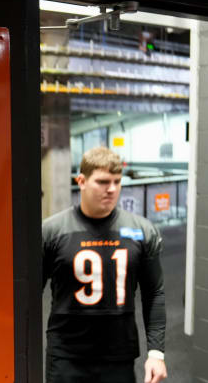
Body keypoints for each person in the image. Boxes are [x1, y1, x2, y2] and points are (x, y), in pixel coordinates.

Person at [42, 147, 167, 383]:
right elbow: (27, 295)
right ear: (81, 181)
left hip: (118, 356)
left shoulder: (141, 231)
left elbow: (154, 293)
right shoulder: (52, 231)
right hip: (66, 357)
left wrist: (156, 353)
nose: (111, 189)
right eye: (102, 182)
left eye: (117, 182)